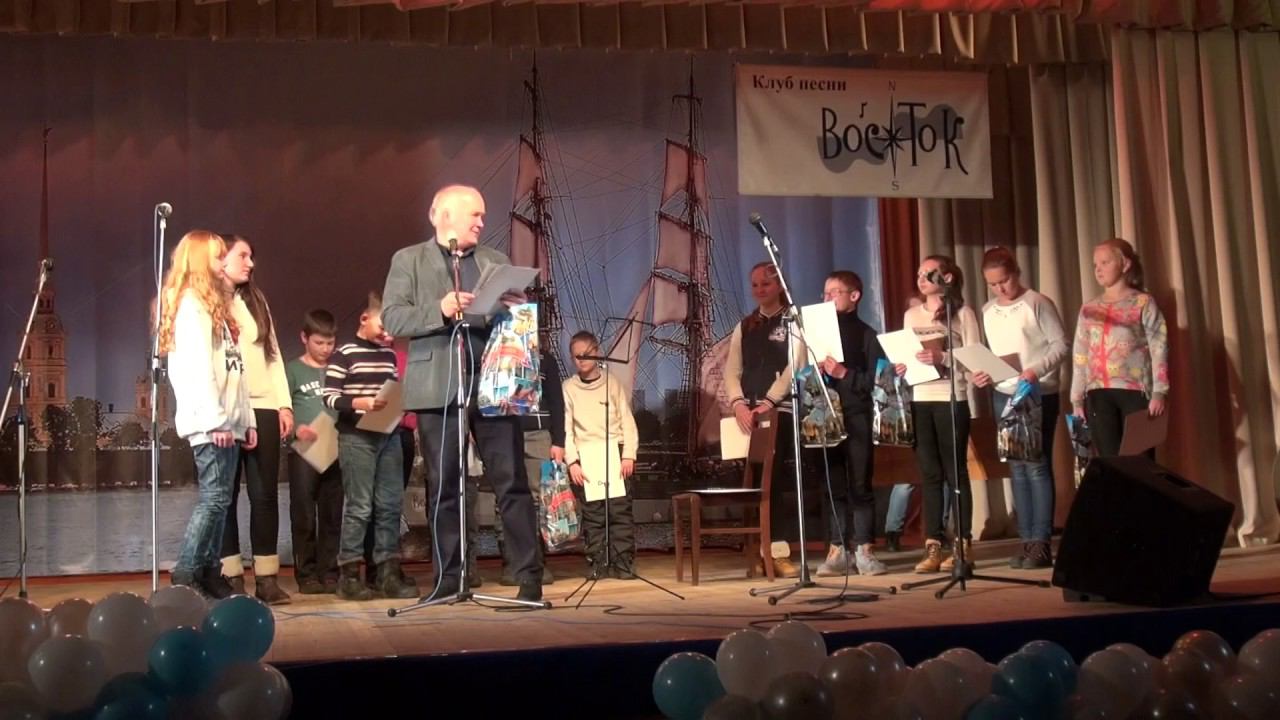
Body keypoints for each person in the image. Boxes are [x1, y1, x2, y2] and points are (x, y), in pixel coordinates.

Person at [381, 184, 544, 604]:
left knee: (511, 481)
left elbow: (510, 319)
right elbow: (393, 318)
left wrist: (515, 306)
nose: (481, 222)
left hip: (492, 382)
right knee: (444, 487)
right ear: (443, 214)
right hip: (437, 384)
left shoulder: (495, 261)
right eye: (475, 214)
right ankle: (448, 580)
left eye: (483, 215)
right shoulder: (408, 260)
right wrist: (439, 309)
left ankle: (528, 577)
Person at [158, 230, 256, 599]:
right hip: (210, 423)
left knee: (222, 500)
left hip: (227, 422)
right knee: (214, 498)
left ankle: (209, 569)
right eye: (216, 256)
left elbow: (235, 371)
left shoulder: (214, 307)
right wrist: (216, 420)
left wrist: (244, 420)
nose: (222, 262)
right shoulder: (190, 306)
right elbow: (197, 369)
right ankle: (186, 572)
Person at [971, 248, 1068, 569]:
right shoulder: (988, 310)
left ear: (1016, 273)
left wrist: (1035, 370)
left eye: (1004, 281)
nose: (1000, 289)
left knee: (1036, 465)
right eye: (993, 284)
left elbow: (1061, 345)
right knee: (1016, 466)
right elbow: (995, 354)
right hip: (1004, 393)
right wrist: (984, 372)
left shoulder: (1036, 302)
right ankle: (1025, 540)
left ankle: (1041, 542)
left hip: (1037, 392)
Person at [322, 291, 418, 601]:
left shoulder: (388, 355)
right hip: (357, 437)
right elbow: (329, 396)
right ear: (365, 318)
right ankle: (349, 574)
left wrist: (400, 403)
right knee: (360, 506)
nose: (389, 335)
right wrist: (359, 402)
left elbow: (392, 387)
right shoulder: (344, 353)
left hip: (388, 434)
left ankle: (386, 572)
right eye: (384, 326)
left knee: (390, 505)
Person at [217, 235, 294, 605]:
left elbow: (273, 355)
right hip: (227, 410)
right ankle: (231, 578)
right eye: (243, 255)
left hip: (263, 407)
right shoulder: (208, 303)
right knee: (225, 497)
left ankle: (267, 579)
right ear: (221, 259)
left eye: (252, 256)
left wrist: (284, 405)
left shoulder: (256, 301)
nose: (250, 263)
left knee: (264, 495)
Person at [899, 255, 982, 574]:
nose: (920, 279)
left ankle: (962, 543)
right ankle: (932, 544)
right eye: (919, 273)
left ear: (946, 278)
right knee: (930, 474)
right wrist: (903, 364)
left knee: (955, 472)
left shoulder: (962, 313)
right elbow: (908, 353)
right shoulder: (911, 315)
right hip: (921, 397)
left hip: (952, 397)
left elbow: (975, 358)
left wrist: (943, 357)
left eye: (928, 273)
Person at [723, 261, 806, 577]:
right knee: (754, 484)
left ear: (779, 285)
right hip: (747, 415)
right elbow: (732, 370)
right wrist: (738, 404)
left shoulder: (793, 320)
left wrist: (770, 401)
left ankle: (779, 552)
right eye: (755, 284)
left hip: (778, 411)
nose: (759, 289)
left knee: (775, 483)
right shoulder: (745, 326)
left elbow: (795, 365)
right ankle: (758, 551)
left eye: (766, 284)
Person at [814, 271, 888, 577]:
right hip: (825, 414)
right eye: (825, 293)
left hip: (857, 415)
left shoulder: (867, 335)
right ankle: (837, 549)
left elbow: (878, 381)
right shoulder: (817, 335)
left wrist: (845, 374)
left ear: (854, 296)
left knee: (860, 484)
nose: (828, 298)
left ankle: (864, 549)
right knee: (833, 485)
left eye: (835, 292)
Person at [1070, 238, 1169, 458]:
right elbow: (1080, 354)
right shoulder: (1089, 309)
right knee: (1110, 461)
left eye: (1105, 263)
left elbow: (1159, 347)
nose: (1098, 269)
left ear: (1125, 264)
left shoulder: (1143, 302)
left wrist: (1159, 392)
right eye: (1095, 265)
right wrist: (1077, 399)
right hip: (1098, 392)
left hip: (1135, 391)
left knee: (1140, 461)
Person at [563, 331, 639, 579]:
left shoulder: (611, 383)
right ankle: (598, 561)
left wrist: (628, 454)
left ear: (597, 352)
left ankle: (623, 561)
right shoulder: (569, 388)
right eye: (577, 356)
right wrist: (572, 462)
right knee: (594, 514)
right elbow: (567, 429)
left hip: (614, 451)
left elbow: (627, 420)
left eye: (587, 354)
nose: (582, 360)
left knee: (619, 511)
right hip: (587, 456)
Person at [285, 309, 343, 594]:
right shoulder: (292, 370)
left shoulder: (338, 369)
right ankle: (306, 573)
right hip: (304, 450)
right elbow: (282, 408)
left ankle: (329, 571)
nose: (325, 349)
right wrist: (296, 429)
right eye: (319, 343)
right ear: (304, 338)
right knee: (304, 514)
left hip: (336, 449)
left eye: (330, 343)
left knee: (332, 513)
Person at [497, 344, 564, 586]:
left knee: (538, 500)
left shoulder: (546, 359)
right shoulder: (499, 355)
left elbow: (556, 401)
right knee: (506, 497)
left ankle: (535, 562)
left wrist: (558, 440)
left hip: (538, 434)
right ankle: (512, 562)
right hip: (505, 432)